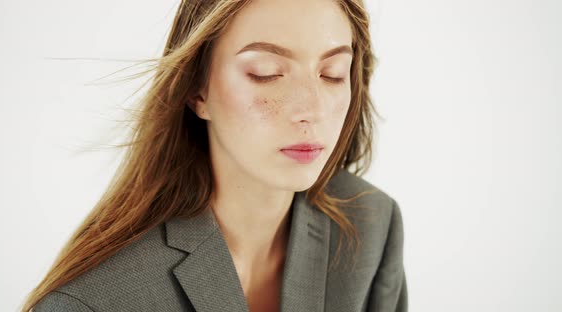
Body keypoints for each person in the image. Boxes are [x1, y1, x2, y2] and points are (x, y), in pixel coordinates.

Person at [22, 0, 407, 311]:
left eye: (333, 73)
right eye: (266, 72)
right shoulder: (92, 302)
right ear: (197, 90)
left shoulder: (372, 225)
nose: (312, 108)